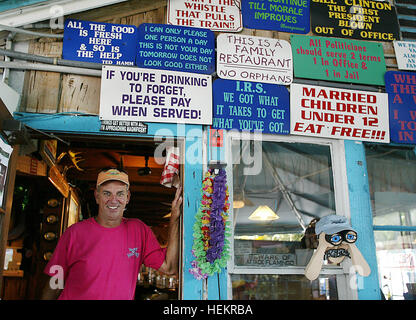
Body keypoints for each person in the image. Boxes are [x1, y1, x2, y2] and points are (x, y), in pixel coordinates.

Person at [41, 168, 182, 300]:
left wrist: (174, 218)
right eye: (107, 193)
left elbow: (169, 268)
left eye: (120, 193)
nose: (113, 200)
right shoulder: (74, 233)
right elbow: (56, 280)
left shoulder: (139, 230)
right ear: (97, 196)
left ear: (127, 197)